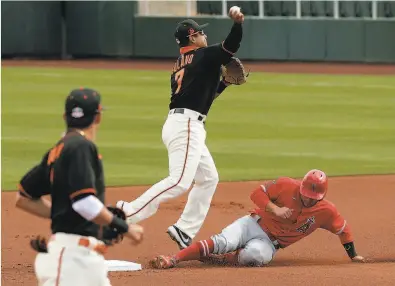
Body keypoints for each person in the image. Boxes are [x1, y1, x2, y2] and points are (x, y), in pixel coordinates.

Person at [116, 7, 245, 250]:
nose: (205, 37)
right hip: (186, 126)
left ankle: (184, 229)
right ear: (193, 37)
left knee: (208, 178)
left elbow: (202, 97)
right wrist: (238, 23)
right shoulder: (205, 55)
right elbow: (231, 46)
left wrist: (224, 83)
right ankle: (126, 212)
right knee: (179, 182)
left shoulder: (180, 64)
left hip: (182, 122)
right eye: (201, 34)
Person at [15, 88, 144, 286]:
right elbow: (84, 202)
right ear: (98, 117)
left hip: (83, 260)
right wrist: (124, 227)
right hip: (70, 261)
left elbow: (23, 198)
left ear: (65, 117)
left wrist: (64, 215)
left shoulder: (57, 151)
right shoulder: (82, 146)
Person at [149, 169, 368, 269]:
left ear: (322, 196)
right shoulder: (285, 185)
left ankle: (221, 259)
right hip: (252, 224)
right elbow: (256, 193)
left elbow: (343, 230)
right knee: (222, 242)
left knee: (254, 257)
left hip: (268, 244)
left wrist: (354, 255)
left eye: (313, 198)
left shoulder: (326, 211)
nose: (307, 200)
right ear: (301, 187)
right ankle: (173, 259)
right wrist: (274, 208)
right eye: (305, 195)